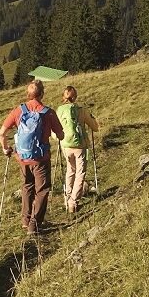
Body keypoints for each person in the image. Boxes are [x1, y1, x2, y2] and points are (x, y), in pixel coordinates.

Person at [0, 80, 64, 235]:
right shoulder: (48, 112)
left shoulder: (18, 111)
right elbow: (60, 134)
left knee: (27, 186)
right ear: (41, 94)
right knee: (42, 190)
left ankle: (26, 220)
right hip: (41, 158)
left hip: (22, 157)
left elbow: (1, 134)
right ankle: (34, 225)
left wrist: (6, 149)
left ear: (28, 94)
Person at [57, 85, 100, 214]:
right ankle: (73, 202)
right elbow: (95, 127)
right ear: (75, 97)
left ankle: (67, 198)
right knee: (80, 172)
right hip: (80, 145)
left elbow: (55, 129)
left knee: (70, 170)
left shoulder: (59, 110)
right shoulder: (81, 110)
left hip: (65, 145)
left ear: (63, 97)